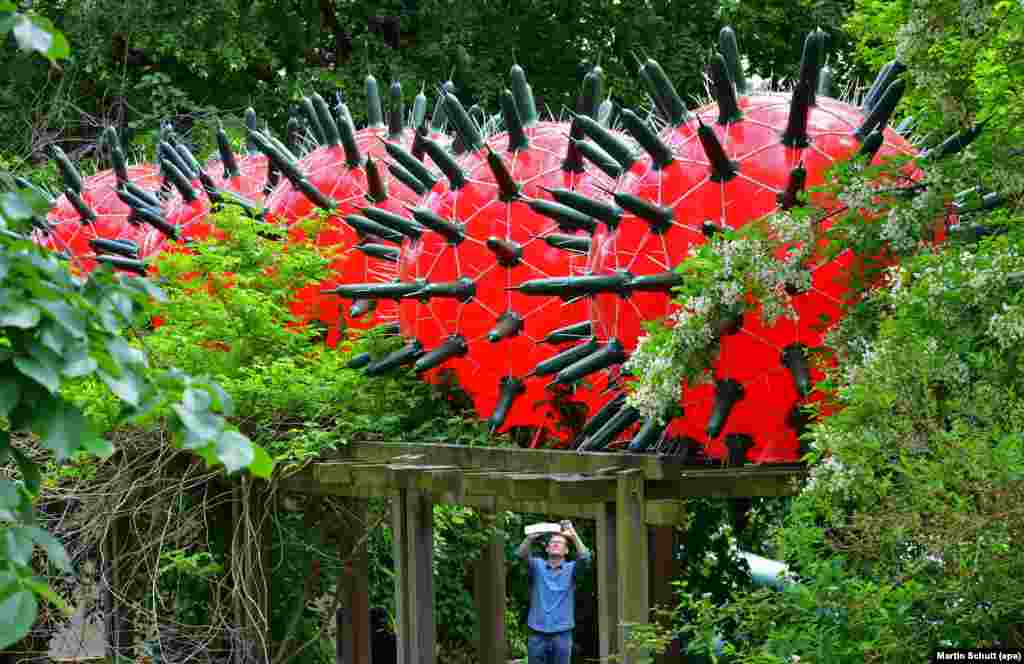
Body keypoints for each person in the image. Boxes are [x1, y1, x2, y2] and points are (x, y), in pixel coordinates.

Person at [516, 519, 591, 664]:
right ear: (547, 549)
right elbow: (520, 555)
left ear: (566, 551)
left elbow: (585, 557)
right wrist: (530, 537)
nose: (556, 543)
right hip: (537, 633)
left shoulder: (572, 569)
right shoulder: (537, 565)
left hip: (562, 634)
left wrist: (573, 534)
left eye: (560, 542)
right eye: (552, 542)